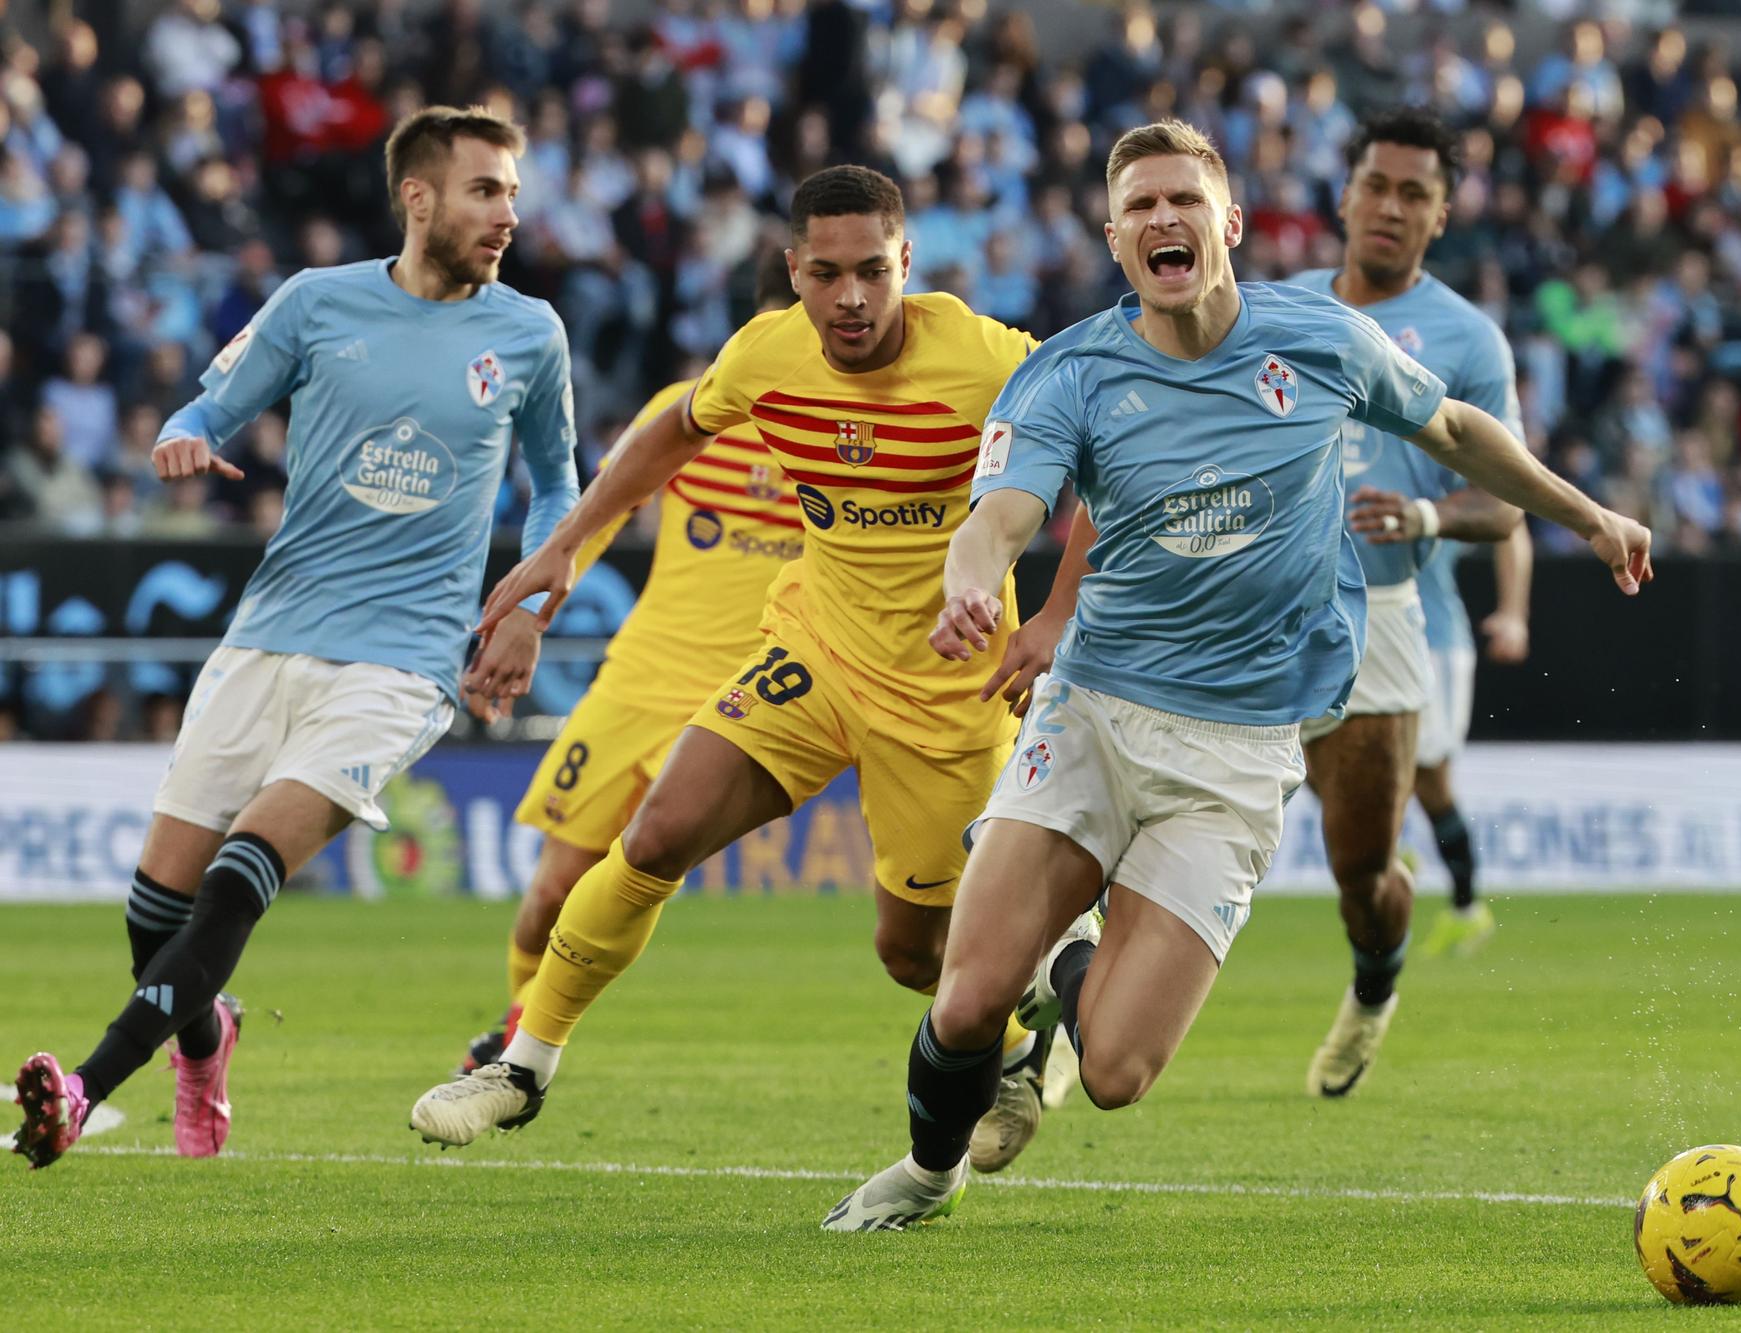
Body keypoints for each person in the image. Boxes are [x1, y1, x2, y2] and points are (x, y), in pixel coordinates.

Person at [820, 118, 1650, 1232]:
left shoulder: (1317, 339)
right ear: (1115, 239)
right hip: (1097, 714)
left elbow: (1453, 427)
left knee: (1113, 1070)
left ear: (1230, 225)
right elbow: (1001, 517)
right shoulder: (1067, 372)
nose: (1164, 220)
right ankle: (927, 1176)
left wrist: (1590, 518)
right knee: (965, 999)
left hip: (1240, 749)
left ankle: (1069, 953)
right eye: (1140, 208)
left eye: (1183, 201)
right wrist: (972, 581)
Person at [408, 165, 1084, 1175]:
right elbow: (672, 431)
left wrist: (1056, 624)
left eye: (870, 272)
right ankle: (522, 1065)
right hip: (812, 655)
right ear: (792, 271)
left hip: (947, 695)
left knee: (909, 953)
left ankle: (1026, 1039)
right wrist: (563, 548)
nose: (849, 298)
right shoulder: (767, 355)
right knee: (655, 833)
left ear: (906, 262)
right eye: (825, 274)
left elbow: (1110, 467)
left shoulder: (991, 362)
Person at [12, 105, 580, 1170]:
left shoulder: (528, 335)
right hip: (270, 632)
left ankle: (81, 1091)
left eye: (511, 192)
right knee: (154, 912)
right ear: (417, 197)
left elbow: (557, 485)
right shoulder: (317, 304)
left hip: (402, 659)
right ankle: (206, 1038)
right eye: (483, 190)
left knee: (238, 876)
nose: (506, 213)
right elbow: (203, 412)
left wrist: (529, 609)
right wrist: (182, 445)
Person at [456, 247, 801, 1075]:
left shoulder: (849, 437)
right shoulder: (689, 414)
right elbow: (596, 517)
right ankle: (518, 1026)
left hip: (763, 687)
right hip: (643, 678)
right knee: (549, 897)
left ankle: (1008, 1028)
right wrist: (533, 616)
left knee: (644, 872)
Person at [1280, 107, 1527, 1098]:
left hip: (1380, 622)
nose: (1388, 205)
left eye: (1413, 193)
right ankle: (1049, 1039)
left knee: (1359, 877)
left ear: (1440, 214)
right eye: (1374, 184)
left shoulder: (1466, 339)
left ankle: (1375, 983)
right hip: (1247, 617)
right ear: (1343, 194)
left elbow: (1502, 504)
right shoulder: (1273, 304)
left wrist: (1424, 518)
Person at [1410, 523, 1531, 960]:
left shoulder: (1434, 467)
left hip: (1433, 645)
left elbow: (1509, 522)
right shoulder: (1348, 458)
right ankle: (1387, 854)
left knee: (1429, 781)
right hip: (1368, 643)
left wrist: (1514, 613)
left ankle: (1465, 907)